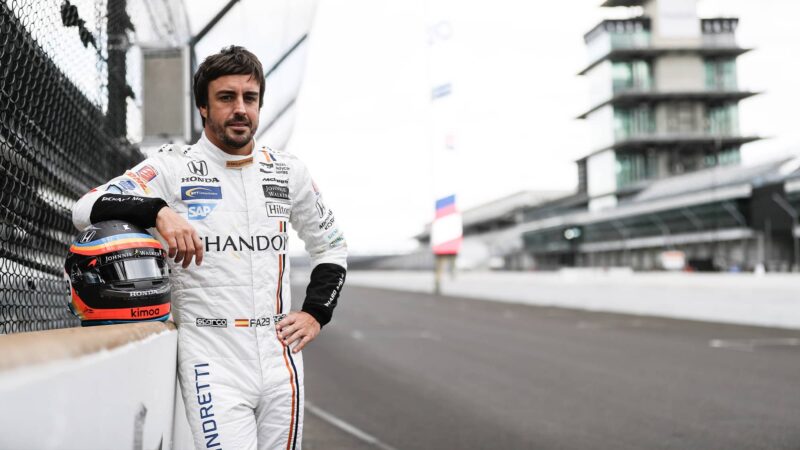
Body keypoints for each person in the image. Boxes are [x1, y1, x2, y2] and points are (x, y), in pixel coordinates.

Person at [72, 45, 347, 449]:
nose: (240, 109)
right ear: (203, 106)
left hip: (281, 354)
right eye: (226, 97)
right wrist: (157, 210)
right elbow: (85, 207)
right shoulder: (172, 166)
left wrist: (316, 313)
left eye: (249, 98)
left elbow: (331, 247)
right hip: (210, 356)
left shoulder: (287, 171)